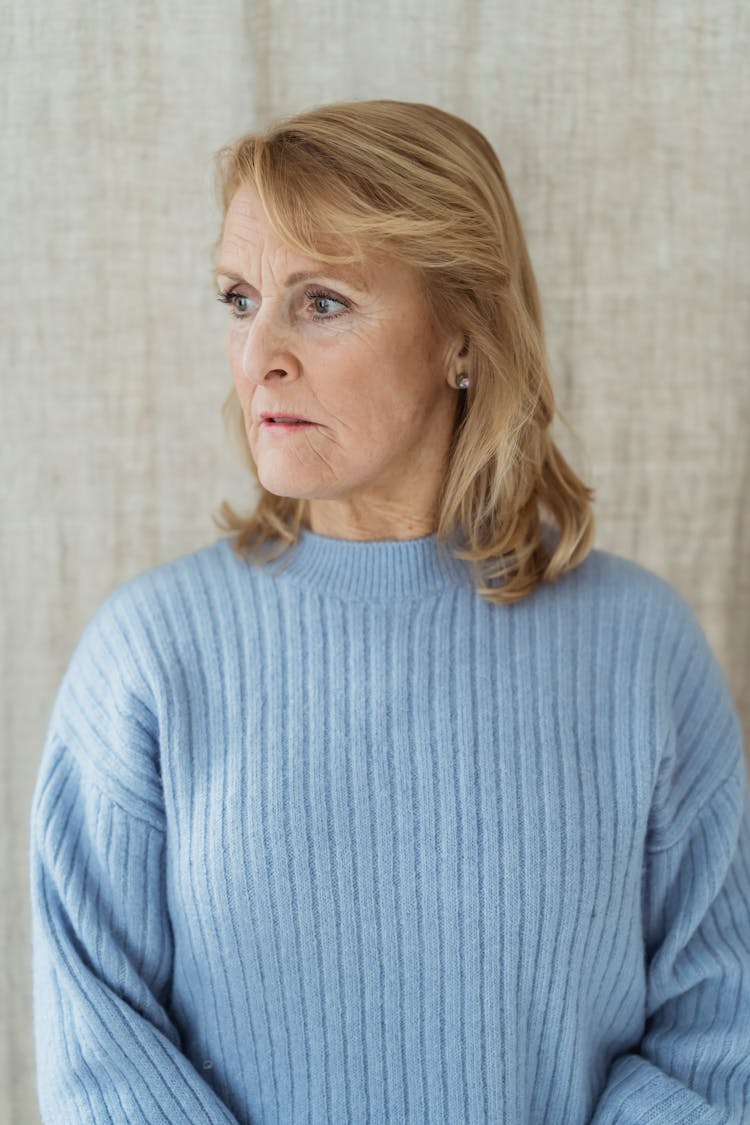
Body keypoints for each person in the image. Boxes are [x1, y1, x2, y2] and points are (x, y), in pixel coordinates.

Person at [29, 99, 750, 1123]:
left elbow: (719, 1044)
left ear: (464, 330)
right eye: (241, 298)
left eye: (321, 302)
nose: (258, 356)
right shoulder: (146, 660)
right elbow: (103, 1062)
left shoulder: (642, 653)